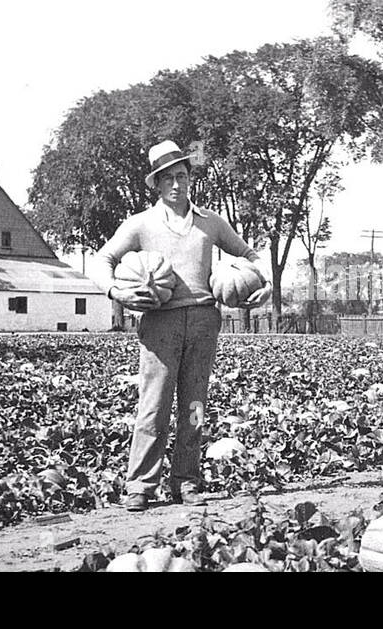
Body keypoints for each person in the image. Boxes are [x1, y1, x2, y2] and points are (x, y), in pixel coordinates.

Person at [89, 140, 271, 511]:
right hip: (160, 321)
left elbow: (249, 255)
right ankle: (140, 485)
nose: (177, 184)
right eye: (168, 178)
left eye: (183, 176)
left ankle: (187, 482)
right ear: (156, 184)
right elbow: (102, 259)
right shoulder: (140, 224)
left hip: (204, 320)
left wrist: (263, 285)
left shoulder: (211, 223)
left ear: (191, 178)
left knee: (194, 405)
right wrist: (115, 292)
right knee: (153, 406)